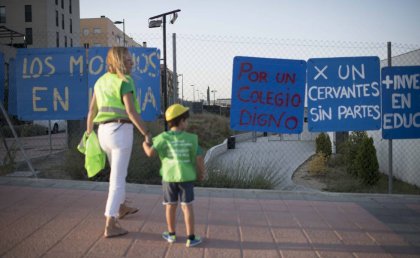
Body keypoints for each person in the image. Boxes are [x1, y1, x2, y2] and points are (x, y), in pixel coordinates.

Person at [86, 46, 152, 238]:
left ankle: (121, 208)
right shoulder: (125, 81)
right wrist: (146, 133)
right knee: (117, 179)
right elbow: (131, 112)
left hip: (103, 133)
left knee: (117, 174)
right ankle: (110, 224)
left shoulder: (100, 82)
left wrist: (89, 134)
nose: (132, 62)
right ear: (120, 62)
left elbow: (91, 112)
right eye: (128, 59)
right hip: (120, 132)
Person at [143, 104, 205, 247]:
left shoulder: (162, 138)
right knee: (187, 207)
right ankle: (191, 238)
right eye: (186, 120)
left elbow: (150, 153)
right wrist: (201, 174)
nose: (187, 123)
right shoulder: (192, 139)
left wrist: (144, 145)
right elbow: (199, 159)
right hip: (186, 178)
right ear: (182, 121)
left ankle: (171, 235)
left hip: (168, 178)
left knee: (170, 206)